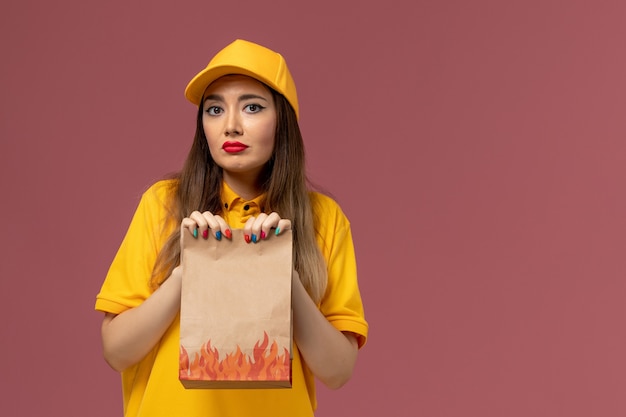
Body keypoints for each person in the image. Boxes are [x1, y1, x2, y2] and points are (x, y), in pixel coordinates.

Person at [95, 39, 368, 417]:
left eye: (252, 107)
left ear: (283, 120)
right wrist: (187, 271)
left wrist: (280, 274)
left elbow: (338, 371)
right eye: (214, 109)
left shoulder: (323, 217)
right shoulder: (163, 204)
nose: (231, 125)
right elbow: (117, 351)